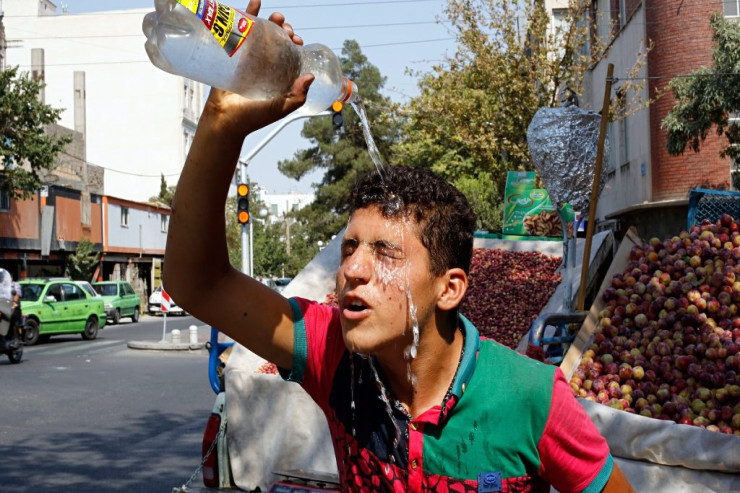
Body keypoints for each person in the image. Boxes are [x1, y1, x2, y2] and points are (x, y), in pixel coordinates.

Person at [164, 2, 633, 491]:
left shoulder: (532, 398)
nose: (352, 271)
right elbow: (197, 282)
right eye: (348, 249)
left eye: (384, 252)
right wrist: (223, 121)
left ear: (449, 288)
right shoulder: (334, 355)